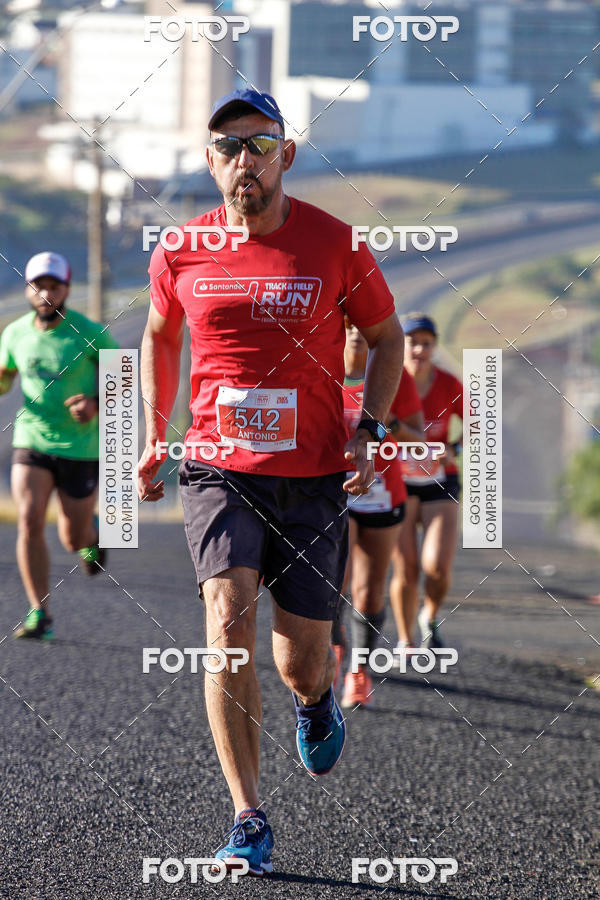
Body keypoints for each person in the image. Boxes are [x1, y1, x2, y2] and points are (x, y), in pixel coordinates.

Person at [136, 88, 404, 877]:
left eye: (258, 144)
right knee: (225, 625)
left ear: (287, 155)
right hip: (218, 465)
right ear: (210, 161)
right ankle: (247, 814)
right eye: (226, 146)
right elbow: (159, 334)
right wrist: (157, 432)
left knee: (300, 661)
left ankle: (316, 701)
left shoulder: (335, 242)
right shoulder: (179, 248)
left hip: (315, 472)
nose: (241, 160)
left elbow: (387, 339)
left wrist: (372, 429)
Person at [0, 251, 118, 640]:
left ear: (67, 288)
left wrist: (96, 403)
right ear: (29, 289)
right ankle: (40, 613)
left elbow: (127, 372)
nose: (46, 293)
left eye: (54, 285)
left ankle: (92, 537)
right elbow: (6, 378)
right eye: (39, 285)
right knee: (30, 520)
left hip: (80, 448)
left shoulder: (90, 332)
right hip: (31, 440)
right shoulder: (15, 333)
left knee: (72, 537)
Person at [337, 318, 424, 709]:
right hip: (333, 495)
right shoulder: (321, 368)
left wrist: (387, 427)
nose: (355, 330)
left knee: (369, 592)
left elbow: (418, 436)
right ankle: (332, 650)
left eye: (362, 324)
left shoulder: (392, 375)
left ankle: (359, 670)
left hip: (384, 495)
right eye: (347, 324)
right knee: (332, 582)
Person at [389, 313, 463, 652]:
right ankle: (406, 641)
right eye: (412, 342)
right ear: (400, 345)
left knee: (436, 567)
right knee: (406, 568)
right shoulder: (388, 381)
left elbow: (481, 425)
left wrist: (455, 448)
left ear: (435, 347)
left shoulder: (448, 384)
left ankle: (429, 616)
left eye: (426, 343)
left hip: (439, 481)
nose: (419, 349)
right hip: (398, 481)